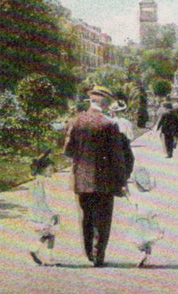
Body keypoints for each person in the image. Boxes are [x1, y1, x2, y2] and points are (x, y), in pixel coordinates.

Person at [63, 85, 134, 267]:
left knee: (86, 216)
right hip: (105, 179)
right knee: (102, 218)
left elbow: (68, 151)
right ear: (105, 102)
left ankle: (88, 252)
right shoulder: (109, 124)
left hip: (82, 178)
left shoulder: (76, 121)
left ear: (91, 100)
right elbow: (117, 157)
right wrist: (122, 180)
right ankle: (98, 254)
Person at [27, 157, 60, 266]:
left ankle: (36, 249)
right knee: (51, 235)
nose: (52, 172)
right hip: (44, 213)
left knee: (48, 235)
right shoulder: (44, 182)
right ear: (43, 170)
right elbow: (45, 199)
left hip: (35, 212)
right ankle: (49, 258)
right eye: (50, 170)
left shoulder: (35, 180)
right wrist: (53, 214)